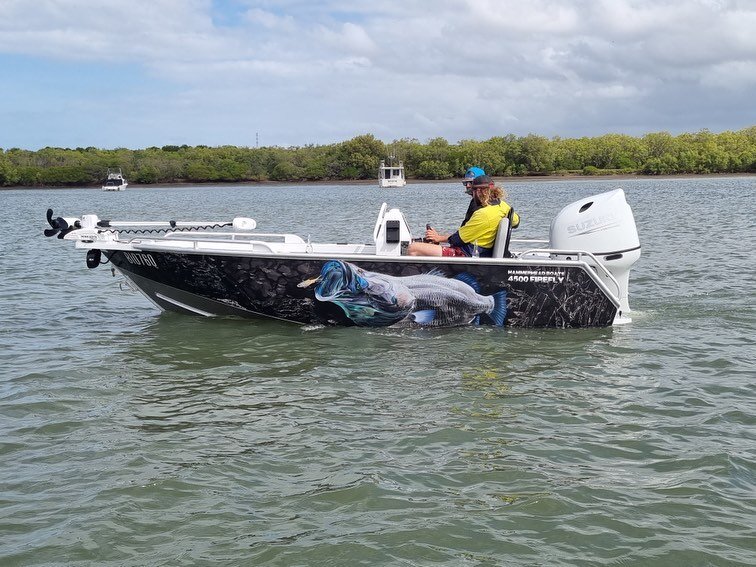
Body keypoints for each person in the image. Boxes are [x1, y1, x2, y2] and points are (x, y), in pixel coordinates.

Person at [408, 175, 520, 257]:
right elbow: (516, 222)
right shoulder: (504, 207)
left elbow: (457, 240)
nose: (472, 195)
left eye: (473, 191)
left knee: (414, 248)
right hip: (482, 252)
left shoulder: (482, 214)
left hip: (467, 254)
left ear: (479, 192)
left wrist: (437, 238)